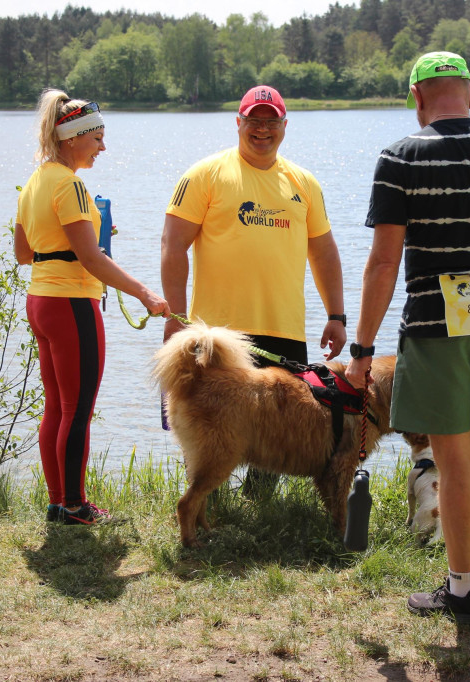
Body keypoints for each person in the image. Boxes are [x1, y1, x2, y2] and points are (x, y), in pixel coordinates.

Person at [346, 52, 470, 623]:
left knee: (454, 462)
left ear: (416, 98)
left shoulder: (400, 157)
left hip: (437, 328)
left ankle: (461, 591)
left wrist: (362, 350)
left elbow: (384, 263)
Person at [160, 85, 346, 494]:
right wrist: (176, 320)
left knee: (278, 433)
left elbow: (325, 253)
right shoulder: (204, 174)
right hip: (220, 338)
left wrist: (336, 315)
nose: (262, 130)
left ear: (284, 125)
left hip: (283, 330)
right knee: (215, 430)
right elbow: (173, 246)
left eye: (271, 121)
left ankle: (261, 507)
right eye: (254, 121)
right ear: (238, 123)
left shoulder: (304, 182)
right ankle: (210, 505)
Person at [14, 89, 169, 525]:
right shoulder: (71, 185)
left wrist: (86, 233)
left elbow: (24, 253)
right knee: (76, 410)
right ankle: (75, 506)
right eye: (97, 137)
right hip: (71, 307)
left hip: (40, 302)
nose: (103, 147)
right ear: (71, 138)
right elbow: (91, 260)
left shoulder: (35, 182)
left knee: (56, 407)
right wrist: (146, 294)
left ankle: (58, 502)